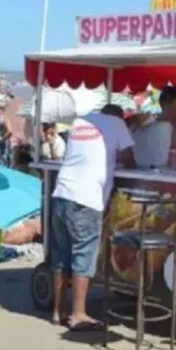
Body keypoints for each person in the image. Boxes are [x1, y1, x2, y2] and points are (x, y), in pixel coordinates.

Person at [51, 101, 135, 329]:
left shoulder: (80, 123)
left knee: (61, 256)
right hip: (86, 198)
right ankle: (79, 314)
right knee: (84, 254)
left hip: (61, 193)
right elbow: (129, 159)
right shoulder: (117, 123)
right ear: (118, 116)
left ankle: (58, 311)